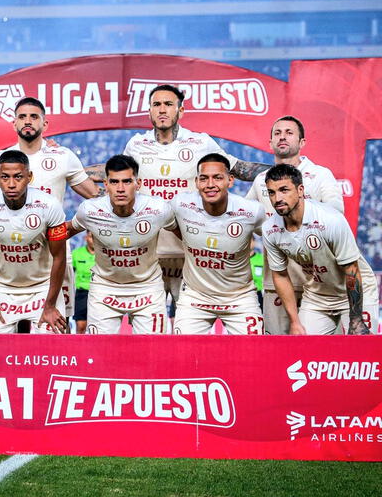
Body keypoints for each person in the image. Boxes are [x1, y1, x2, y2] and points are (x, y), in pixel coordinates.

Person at [87, 84, 268, 310]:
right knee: (151, 328)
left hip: (188, 252)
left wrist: (285, 170)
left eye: (168, 104)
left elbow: (238, 168)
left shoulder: (200, 142)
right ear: (150, 111)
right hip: (148, 252)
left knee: (188, 325)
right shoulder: (136, 144)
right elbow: (118, 176)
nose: (162, 110)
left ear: (180, 111)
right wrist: (73, 171)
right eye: (157, 105)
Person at [0, 96, 99, 328]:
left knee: (58, 322)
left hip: (56, 256)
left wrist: (75, 225)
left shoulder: (62, 156)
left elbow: (95, 197)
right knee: (17, 328)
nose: (28, 121)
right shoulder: (2, 159)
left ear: (45, 124)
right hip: (14, 260)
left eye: (34, 116)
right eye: (22, 117)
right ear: (14, 123)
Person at [246, 115, 344, 334]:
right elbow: (246, 220)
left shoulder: (320, 175)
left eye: (289, 133)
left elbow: (337, 216)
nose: (283, 137)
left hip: (320, 284)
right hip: (277, 282)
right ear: (270, 142)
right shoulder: (261, 179)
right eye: (277, 133)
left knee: (319, 354)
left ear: (302, 142)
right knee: (277, 351)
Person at [262, 164, 378, 335]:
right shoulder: (269, 229)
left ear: (300, 190)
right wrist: (295, 321)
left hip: (357, 294)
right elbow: (280, 274)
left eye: (284, 190)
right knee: (303, 351)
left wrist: (356, 319)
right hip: (317, 296)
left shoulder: (330, 220)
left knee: (361, 353)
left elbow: (352, 270)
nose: (277, 198)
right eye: (271, 192)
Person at [67, 154, 176, 334]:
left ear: (138, 184)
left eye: (127, 181)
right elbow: (65, 231)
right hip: (105, 288)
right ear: (106, 185)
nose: (120, 188)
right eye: (114, 182)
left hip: (147, 288)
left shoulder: (158, 209)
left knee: (153, 352)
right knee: (99, 353)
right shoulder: (90, 210)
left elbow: (184, 235)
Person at [0, 150, 67, 334]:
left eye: (18, 177)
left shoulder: (48, 205)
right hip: (4, 288)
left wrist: (51, 305)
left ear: (29, 177)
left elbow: (59, 256)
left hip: (43, 287)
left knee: (54, 338)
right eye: (5, 177)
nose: (11, 184)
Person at [171, 153, 266, 335]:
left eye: (218, 178)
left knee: (252, 355)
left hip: (240, 298)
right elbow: (167, 224)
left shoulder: (252, 211)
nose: (210, 184)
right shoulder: (181, 204)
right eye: (204, 178)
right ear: (197, 182)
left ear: (230, 181)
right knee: (183, 355)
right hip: (195, 297)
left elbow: (275, 237)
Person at [71, 231, 95, 334]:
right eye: (91, 237)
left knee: (98, 327)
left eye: (95, 237)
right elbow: (69, 274)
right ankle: (79, 349)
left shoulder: (104, 254)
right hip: (82, 293)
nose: (93, 240)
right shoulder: (76, 253)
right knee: (81, 326)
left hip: (99, 293)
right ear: (86, 238)